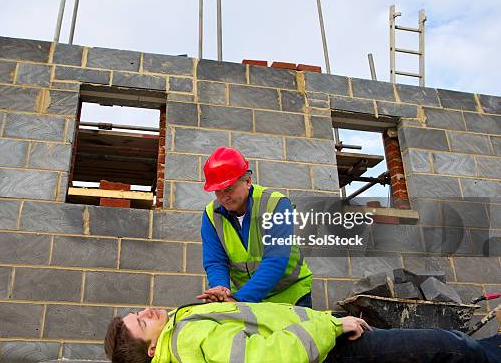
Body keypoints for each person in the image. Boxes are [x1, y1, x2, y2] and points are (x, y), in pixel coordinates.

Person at [104, 302, 501, 363]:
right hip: (330, 349)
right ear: (153, 349)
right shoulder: (185, 339)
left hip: (317, 339)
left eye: (136, 312)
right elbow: (266, 357)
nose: (146, 311)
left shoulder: (181, 328)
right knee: (445, 345)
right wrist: (331, 324)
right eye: (141, 322)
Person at [198, 147, 313, 307]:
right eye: (218, 191)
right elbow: (216, 261)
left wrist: (239, 299)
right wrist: (220, 289)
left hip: (290, 294)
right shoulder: (211, 215)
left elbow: (275, 261)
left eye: (229, 189)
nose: (224, 197)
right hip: (246, 298)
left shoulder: (276, 204)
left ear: (248, 181)